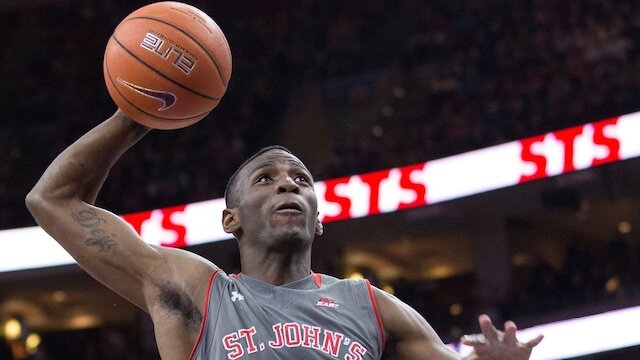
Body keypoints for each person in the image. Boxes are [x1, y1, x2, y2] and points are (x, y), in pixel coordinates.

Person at [26, 110, 543, 359]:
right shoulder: (194, 289)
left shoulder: (374, 307)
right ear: (232, 220)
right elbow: (53, 200)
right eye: (266, 180)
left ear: (318, 219)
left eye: (301, 180)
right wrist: (137, 115)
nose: (287, 186)